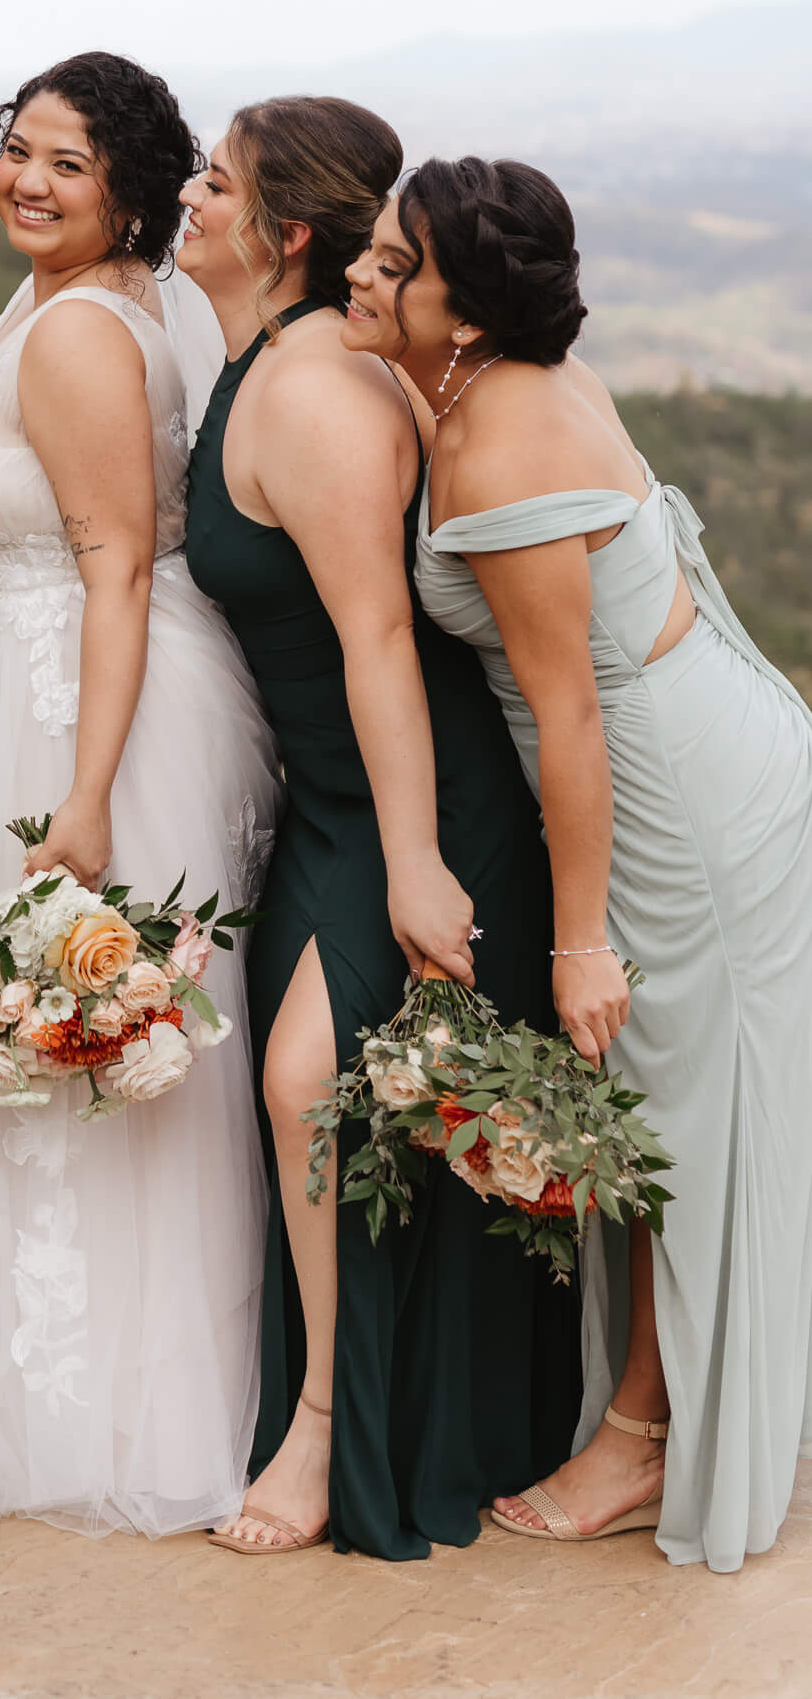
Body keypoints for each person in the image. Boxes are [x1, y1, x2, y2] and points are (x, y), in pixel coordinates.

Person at [366, 154, 812, 1573]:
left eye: (395, 262)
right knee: (689, 1106)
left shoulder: (503, 442)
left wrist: (579, 942)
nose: (369, 275)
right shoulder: (495, 383)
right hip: (701, 740)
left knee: (681, 1119)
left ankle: (636, 1439)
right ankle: (660, 1411)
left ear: (468, 307)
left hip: (673, 792)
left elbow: (569, 713)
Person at [179, 98, 579, 1560]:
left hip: (421, 798)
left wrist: (416, 861)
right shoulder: (253, 360)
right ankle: (368, 1409)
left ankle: (331, 1429)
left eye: (211, 183)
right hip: (328, 799)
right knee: (319, 1102)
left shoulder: (317, 393)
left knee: (311, 1089)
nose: (188, 197)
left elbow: (381, 645)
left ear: (282, 229)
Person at [0, 52, 280, 1538]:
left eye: (68, 162)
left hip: (70, 700)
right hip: (48, 671)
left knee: (58, 1037)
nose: (28, 182)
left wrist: (84, 791)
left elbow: (116, 561)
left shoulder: (75, 330)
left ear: (127, 184)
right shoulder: (105, 304)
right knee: (69, 1056)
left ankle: (70, 1421)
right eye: (18, 152)